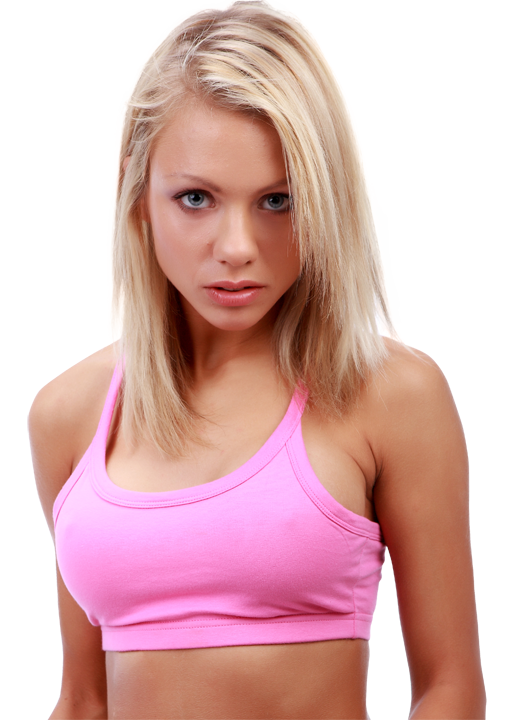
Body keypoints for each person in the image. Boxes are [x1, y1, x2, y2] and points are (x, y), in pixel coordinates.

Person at [29, 2, 485, 719]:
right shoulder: (69, 415)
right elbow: (84, 700)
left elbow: (449, 688)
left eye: (278, 201)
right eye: (195, 198)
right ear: (136, 193)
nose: (238, 247)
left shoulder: (386, 395)